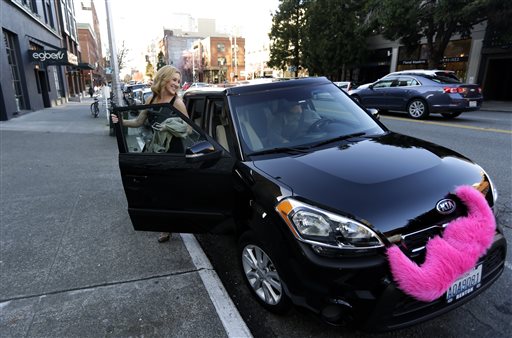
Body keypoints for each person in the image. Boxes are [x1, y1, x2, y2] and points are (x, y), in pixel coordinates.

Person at [111, 65, 188, 243]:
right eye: (174, 80)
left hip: (174, 152)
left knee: (171, 190)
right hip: (156, 151)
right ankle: (164, 225)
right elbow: (138, 122)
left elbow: (189, 128)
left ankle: (173, 225)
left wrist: (170, 126)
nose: (176, 84)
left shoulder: (177, 102)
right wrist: (120, 121)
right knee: (157, 190)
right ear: (163, 78)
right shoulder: (151, 98)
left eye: (178, 81)